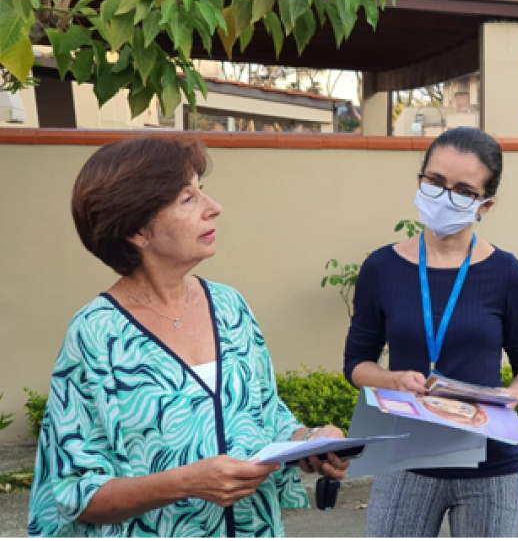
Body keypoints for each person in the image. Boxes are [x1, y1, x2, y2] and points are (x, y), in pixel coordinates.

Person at [28, 135, 349, 537]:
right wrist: (185, 482)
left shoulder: (230, 307)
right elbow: (72, 493)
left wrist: (312, 442)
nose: (214, 208)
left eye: (203, 191)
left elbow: (267, 417)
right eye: (187, 199)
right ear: (137, 231)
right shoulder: (96, 335)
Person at [344, 127, 518, 537]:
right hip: (405, 459)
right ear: (420, 180)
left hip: (491, 465)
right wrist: (392, 380)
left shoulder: (509, 274)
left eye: (463, 190)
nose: (444, 196)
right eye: (435, 182)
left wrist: (509, 396)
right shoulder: (381, 268)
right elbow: (356, 364)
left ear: (485, 205)